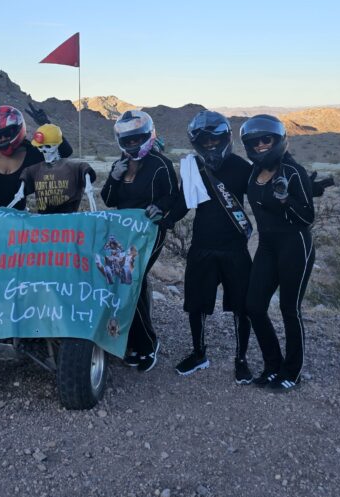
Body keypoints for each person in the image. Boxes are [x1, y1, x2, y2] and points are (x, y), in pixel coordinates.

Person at [169, 111, 254, 383]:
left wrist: (300, 191)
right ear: (197, 144)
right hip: (202, 247)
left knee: (243, 307)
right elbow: (183, 204)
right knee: (196, 305)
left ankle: (241, 359)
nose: (210, 147)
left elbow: (263, 198)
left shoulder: (242, 168)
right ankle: (198, 353)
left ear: (225, 139)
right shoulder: (193, 167)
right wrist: (159, 216)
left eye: (213, 142)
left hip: (235, 249)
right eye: (204, 143)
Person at [240, 114, 315, 392]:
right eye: (254, 141)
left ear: (278, 140)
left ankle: (291, 372)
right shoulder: (253, 172)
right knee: (254, 306)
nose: (260, 145)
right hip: (268, 246)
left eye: (266, 139)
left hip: (295, 245)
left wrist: (286, 199)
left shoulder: (293, 172)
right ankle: (272, 365)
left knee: (289, 309)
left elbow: (307, 217)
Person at [101, 110, 179, 373]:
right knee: (126, 282)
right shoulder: (120, 163)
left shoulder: (161, 165)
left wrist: (159, 208)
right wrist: (114, 177)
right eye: (129, 140)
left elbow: (173, 198)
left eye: (138, 139)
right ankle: (127, 337)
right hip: (123, 235)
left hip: (149, 233)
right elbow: (109, 199)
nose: (133, 144)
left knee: (130, 282)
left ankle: (147, 344)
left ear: (148, 136)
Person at [0, 105, 73, 210]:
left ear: (17, 130)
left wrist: (47, 125)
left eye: (7, 133)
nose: (2, 139)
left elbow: (65, 151)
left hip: (17, 226)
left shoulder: (32, 155)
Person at [19, 123, 96, 213]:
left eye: (48, 146)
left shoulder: (72, 167)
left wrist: (88, 187)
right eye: (40, 147)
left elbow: (84, 168)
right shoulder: (35, 170)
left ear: (57, 145)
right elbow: (24, 179)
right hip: (44, 223)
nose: (43, 150)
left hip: (68, 222)